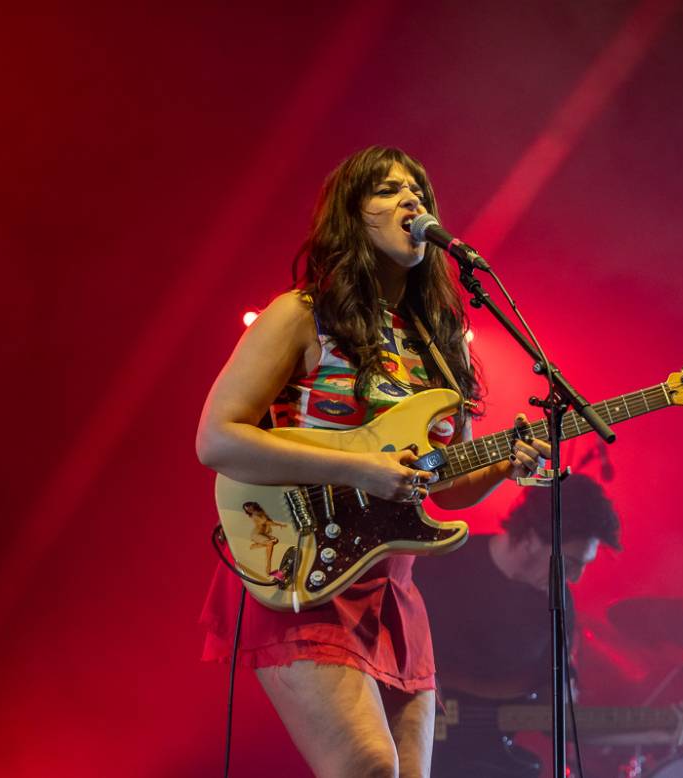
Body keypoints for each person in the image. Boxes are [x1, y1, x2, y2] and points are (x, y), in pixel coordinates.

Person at [195, 145, 551, 778]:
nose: (411, 199)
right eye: (388, 191)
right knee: (368, 768)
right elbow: (216, 440)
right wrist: (358, 468)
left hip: (391, 585)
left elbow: (446, 487)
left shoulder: (442, 348)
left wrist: (503, 464)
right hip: (302, 560)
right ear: (352, 219)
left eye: (418, 190)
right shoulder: (302, 315)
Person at [414, 473, 683, 777]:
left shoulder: (557, 604)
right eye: (572, 561)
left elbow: (563, 720)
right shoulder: (441, 562)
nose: (576, 578)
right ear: (531, 539)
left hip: (487, 765)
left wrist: (654, 735)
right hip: (410, 747)